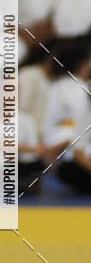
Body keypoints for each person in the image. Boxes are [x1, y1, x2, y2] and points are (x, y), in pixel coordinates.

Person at [42, 38, 91, 193]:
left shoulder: (59, 87)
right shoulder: (76, 90)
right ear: (84, 62)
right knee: (70, 169)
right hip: (71, 152)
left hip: (69, 148)